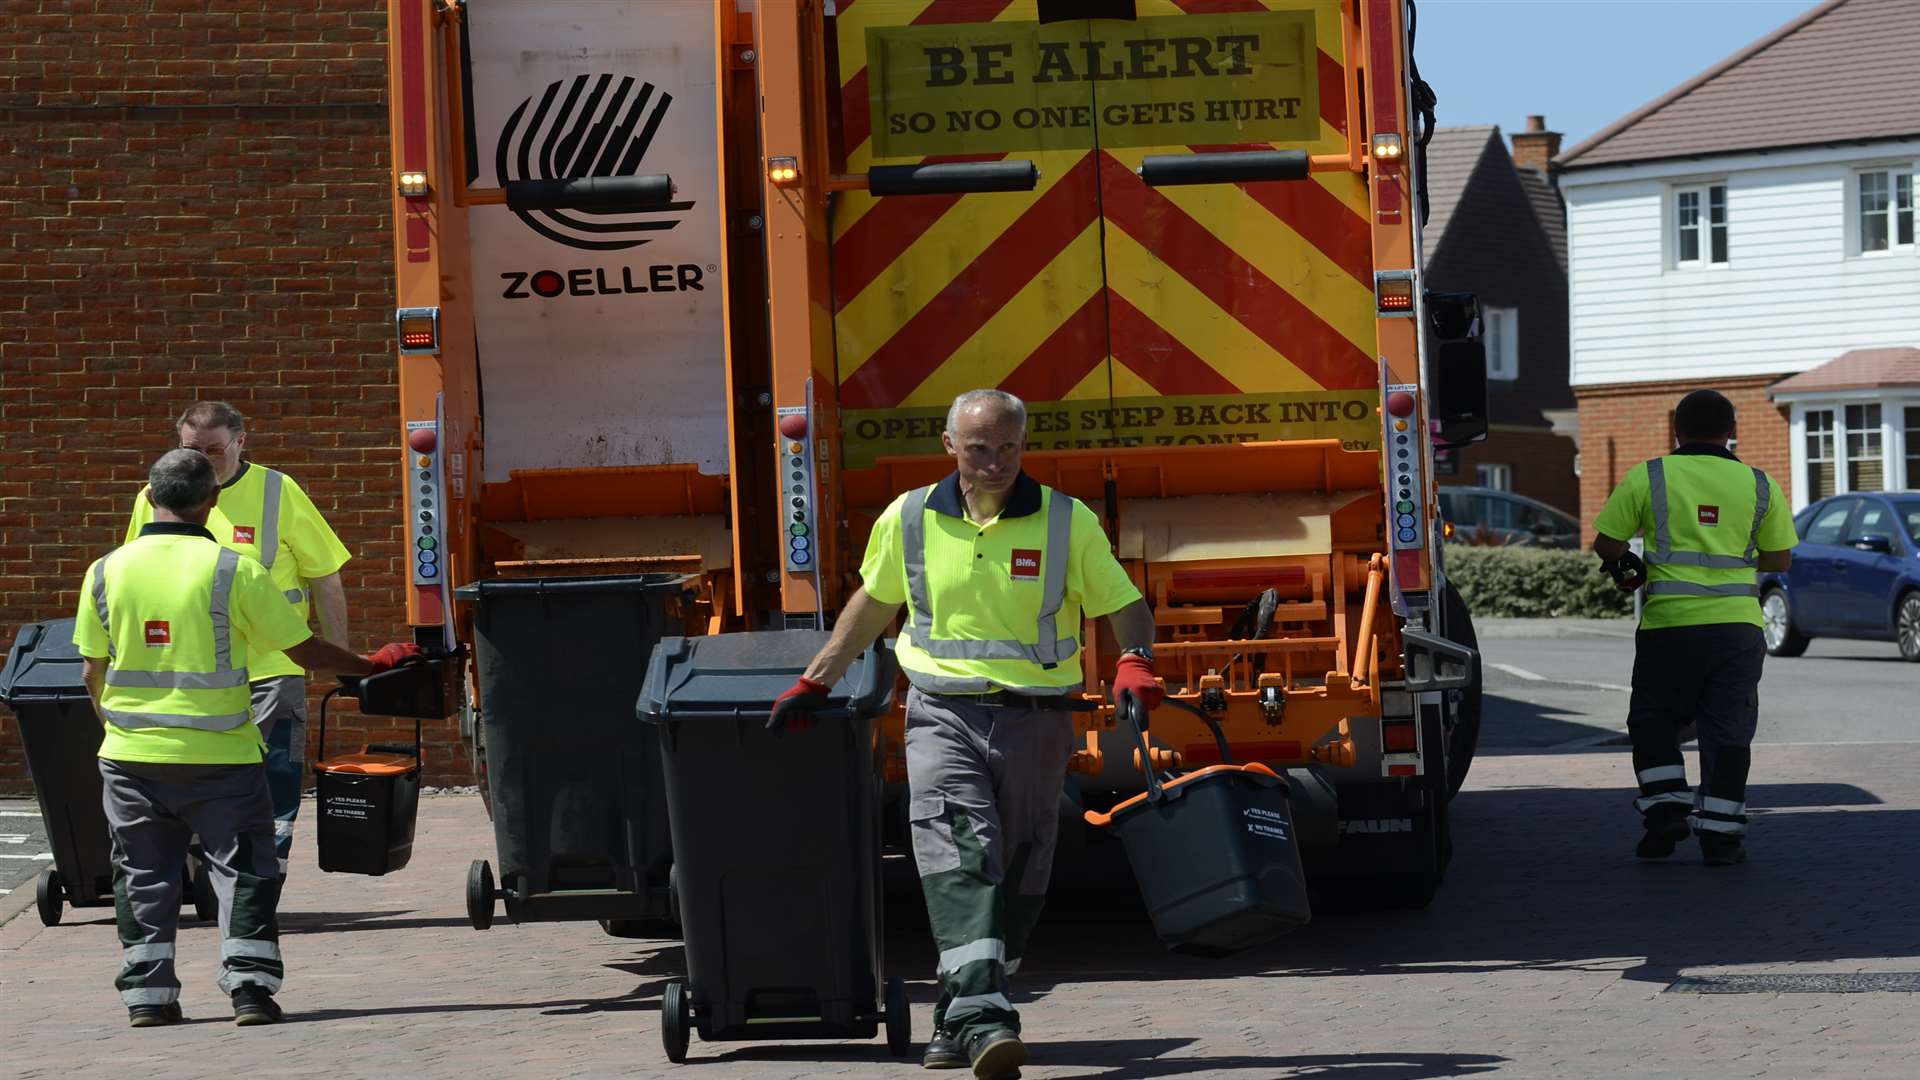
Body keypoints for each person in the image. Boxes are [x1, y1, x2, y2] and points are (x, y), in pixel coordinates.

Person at [770, 390, 1159, 1080]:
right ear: (950, 445)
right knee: (958, 850)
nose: (995, 461)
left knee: (1024, 868)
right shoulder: (911, 516)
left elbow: (1123, 603)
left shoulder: (1065, 521)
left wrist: (1135, 660)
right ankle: (986, 1017)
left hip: (1036, 719)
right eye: (979, 448)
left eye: (1008, 447)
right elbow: (876, 601)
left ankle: (957, 1011)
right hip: (940, 713)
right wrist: (818, 677)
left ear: (1023, 444)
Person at [77, 450, 418, 1028]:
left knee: (143, 875)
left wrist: (118, 732)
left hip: (131, 760)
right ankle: (250, 992)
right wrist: (369, 665)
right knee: (246, 870)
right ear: (211, 503)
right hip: (222, 759)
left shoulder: (105, 570)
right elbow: (302, 649)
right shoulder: (235, 571)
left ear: (149, 497)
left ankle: (147, 999)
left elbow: (92, 670)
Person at [126, 402, 353, 880]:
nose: (204, 460)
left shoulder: (276, 491)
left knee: (274, 777)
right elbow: (138, 573)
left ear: (241, 442)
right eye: (192, 449)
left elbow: (325, 577)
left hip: (273, 666)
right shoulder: (156, 494)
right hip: (192, 672)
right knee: (195, 777)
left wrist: (341, 661)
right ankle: (206, 882)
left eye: (214, 449)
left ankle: (264, 879)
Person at [1592, 389, 1795, 866]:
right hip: (1737, 630)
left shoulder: (1651, 475)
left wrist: (1629, 565)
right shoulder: (1761, 484)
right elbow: (1780, 558)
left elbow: (1607, 543)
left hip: (1669, 626)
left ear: (1675, 430)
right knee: (1727, 729)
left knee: (1654, 719)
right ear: (1732, 432)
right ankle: (1722, 837)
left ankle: (1665, 809)